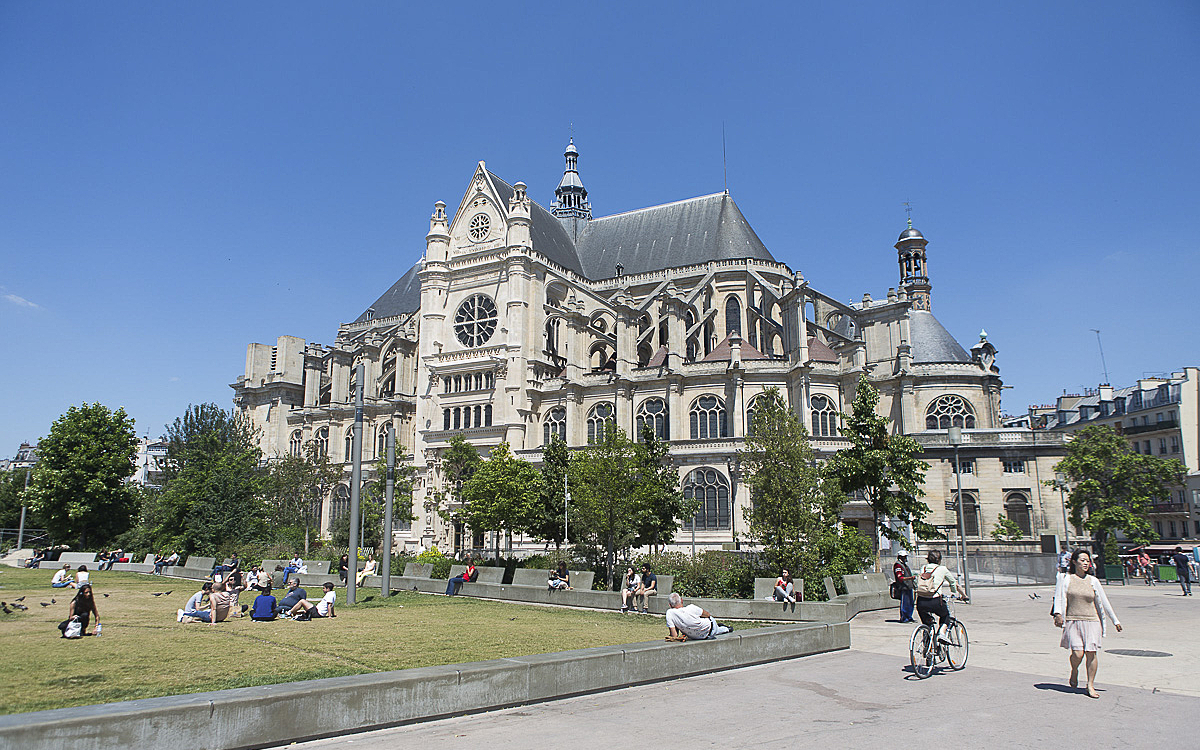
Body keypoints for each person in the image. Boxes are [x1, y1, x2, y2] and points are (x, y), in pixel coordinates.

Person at [1053, 549, 1122, 699]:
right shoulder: (1065, 578)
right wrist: (1058, 614)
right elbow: (1059, 597)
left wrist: (1115, 620)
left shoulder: (1093, 580)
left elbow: (1104, 602)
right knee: (1078, 653)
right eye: (1082, 560)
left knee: (1091, 653)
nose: (1086, 563)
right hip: (1073, 621)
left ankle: (1090, 685)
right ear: (1074, 561)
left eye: (1087, 560)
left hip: (1092, 621)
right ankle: (1074, 670)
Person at [913, 550, 966, 645]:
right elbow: (954, 583)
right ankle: (941, 634)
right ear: (940, 559)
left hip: (921, 601)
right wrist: (961, 595)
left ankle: (927, 637)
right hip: (935, 601)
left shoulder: (923, 568)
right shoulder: (942, 569)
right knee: (945, 615)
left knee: (927, 622)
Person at [664, 592, 730, 640]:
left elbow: (674, 635)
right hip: (710, 630)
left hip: (695, 636)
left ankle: (725, 629)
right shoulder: (691, 607)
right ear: (681, 600)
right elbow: (707, 615)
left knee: (714, 630)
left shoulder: (670, 613)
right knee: (714, 629)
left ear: (670, 605)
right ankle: (726, 628)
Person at [893, 553, 915, 623]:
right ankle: (904, 618)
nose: (905, 558)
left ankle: (909, 617)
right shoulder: (898, 565)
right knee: (905, 603)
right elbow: (900, 577)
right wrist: (910, 578)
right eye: (904, 557)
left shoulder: (904, 565)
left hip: (908, 586)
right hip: (903, 587)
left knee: (910, 603)